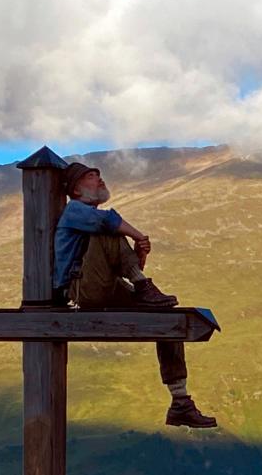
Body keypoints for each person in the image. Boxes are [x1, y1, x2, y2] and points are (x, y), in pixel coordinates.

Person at [52, 161, 217, 429]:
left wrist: (140, 254)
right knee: (108, 228)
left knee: (166, 317)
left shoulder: (87, 216)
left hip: (104, 285)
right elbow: (109, 223)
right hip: (82, 289)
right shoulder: (75, 211)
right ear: (77, 189)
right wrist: (139, 237)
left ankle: (180, 402)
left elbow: (121, 264)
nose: (100, 180)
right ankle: (143, 286)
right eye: (93, 177)